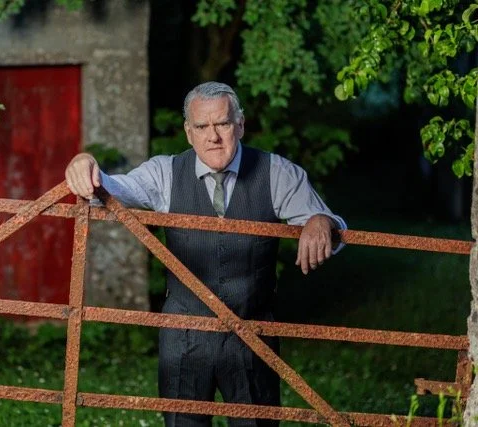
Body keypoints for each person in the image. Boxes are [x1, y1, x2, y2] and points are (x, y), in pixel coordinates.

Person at [65, 82, 346, 427]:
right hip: (183, 335)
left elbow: (330, 224)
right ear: (189, 132)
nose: (213, 136)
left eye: (223, 123)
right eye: (202, 126)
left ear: (240, 124)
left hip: (252, 332)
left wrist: (320, 221)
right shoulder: (165, 173)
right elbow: (108, 190)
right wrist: (85, 164)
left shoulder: (276, 173)